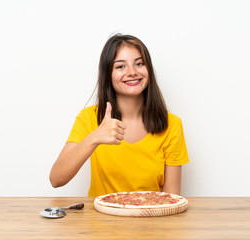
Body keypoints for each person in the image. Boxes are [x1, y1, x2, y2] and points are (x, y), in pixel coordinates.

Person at [49, 33, 189, 197]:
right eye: (120, 66)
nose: (132, 72)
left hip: (150, 219)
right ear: (108, 75)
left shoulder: (172, 124)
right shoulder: (89, 118)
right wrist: (94, 137)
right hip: (100, 221)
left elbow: (171, 198)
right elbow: (56, 179)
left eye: (139, 63)